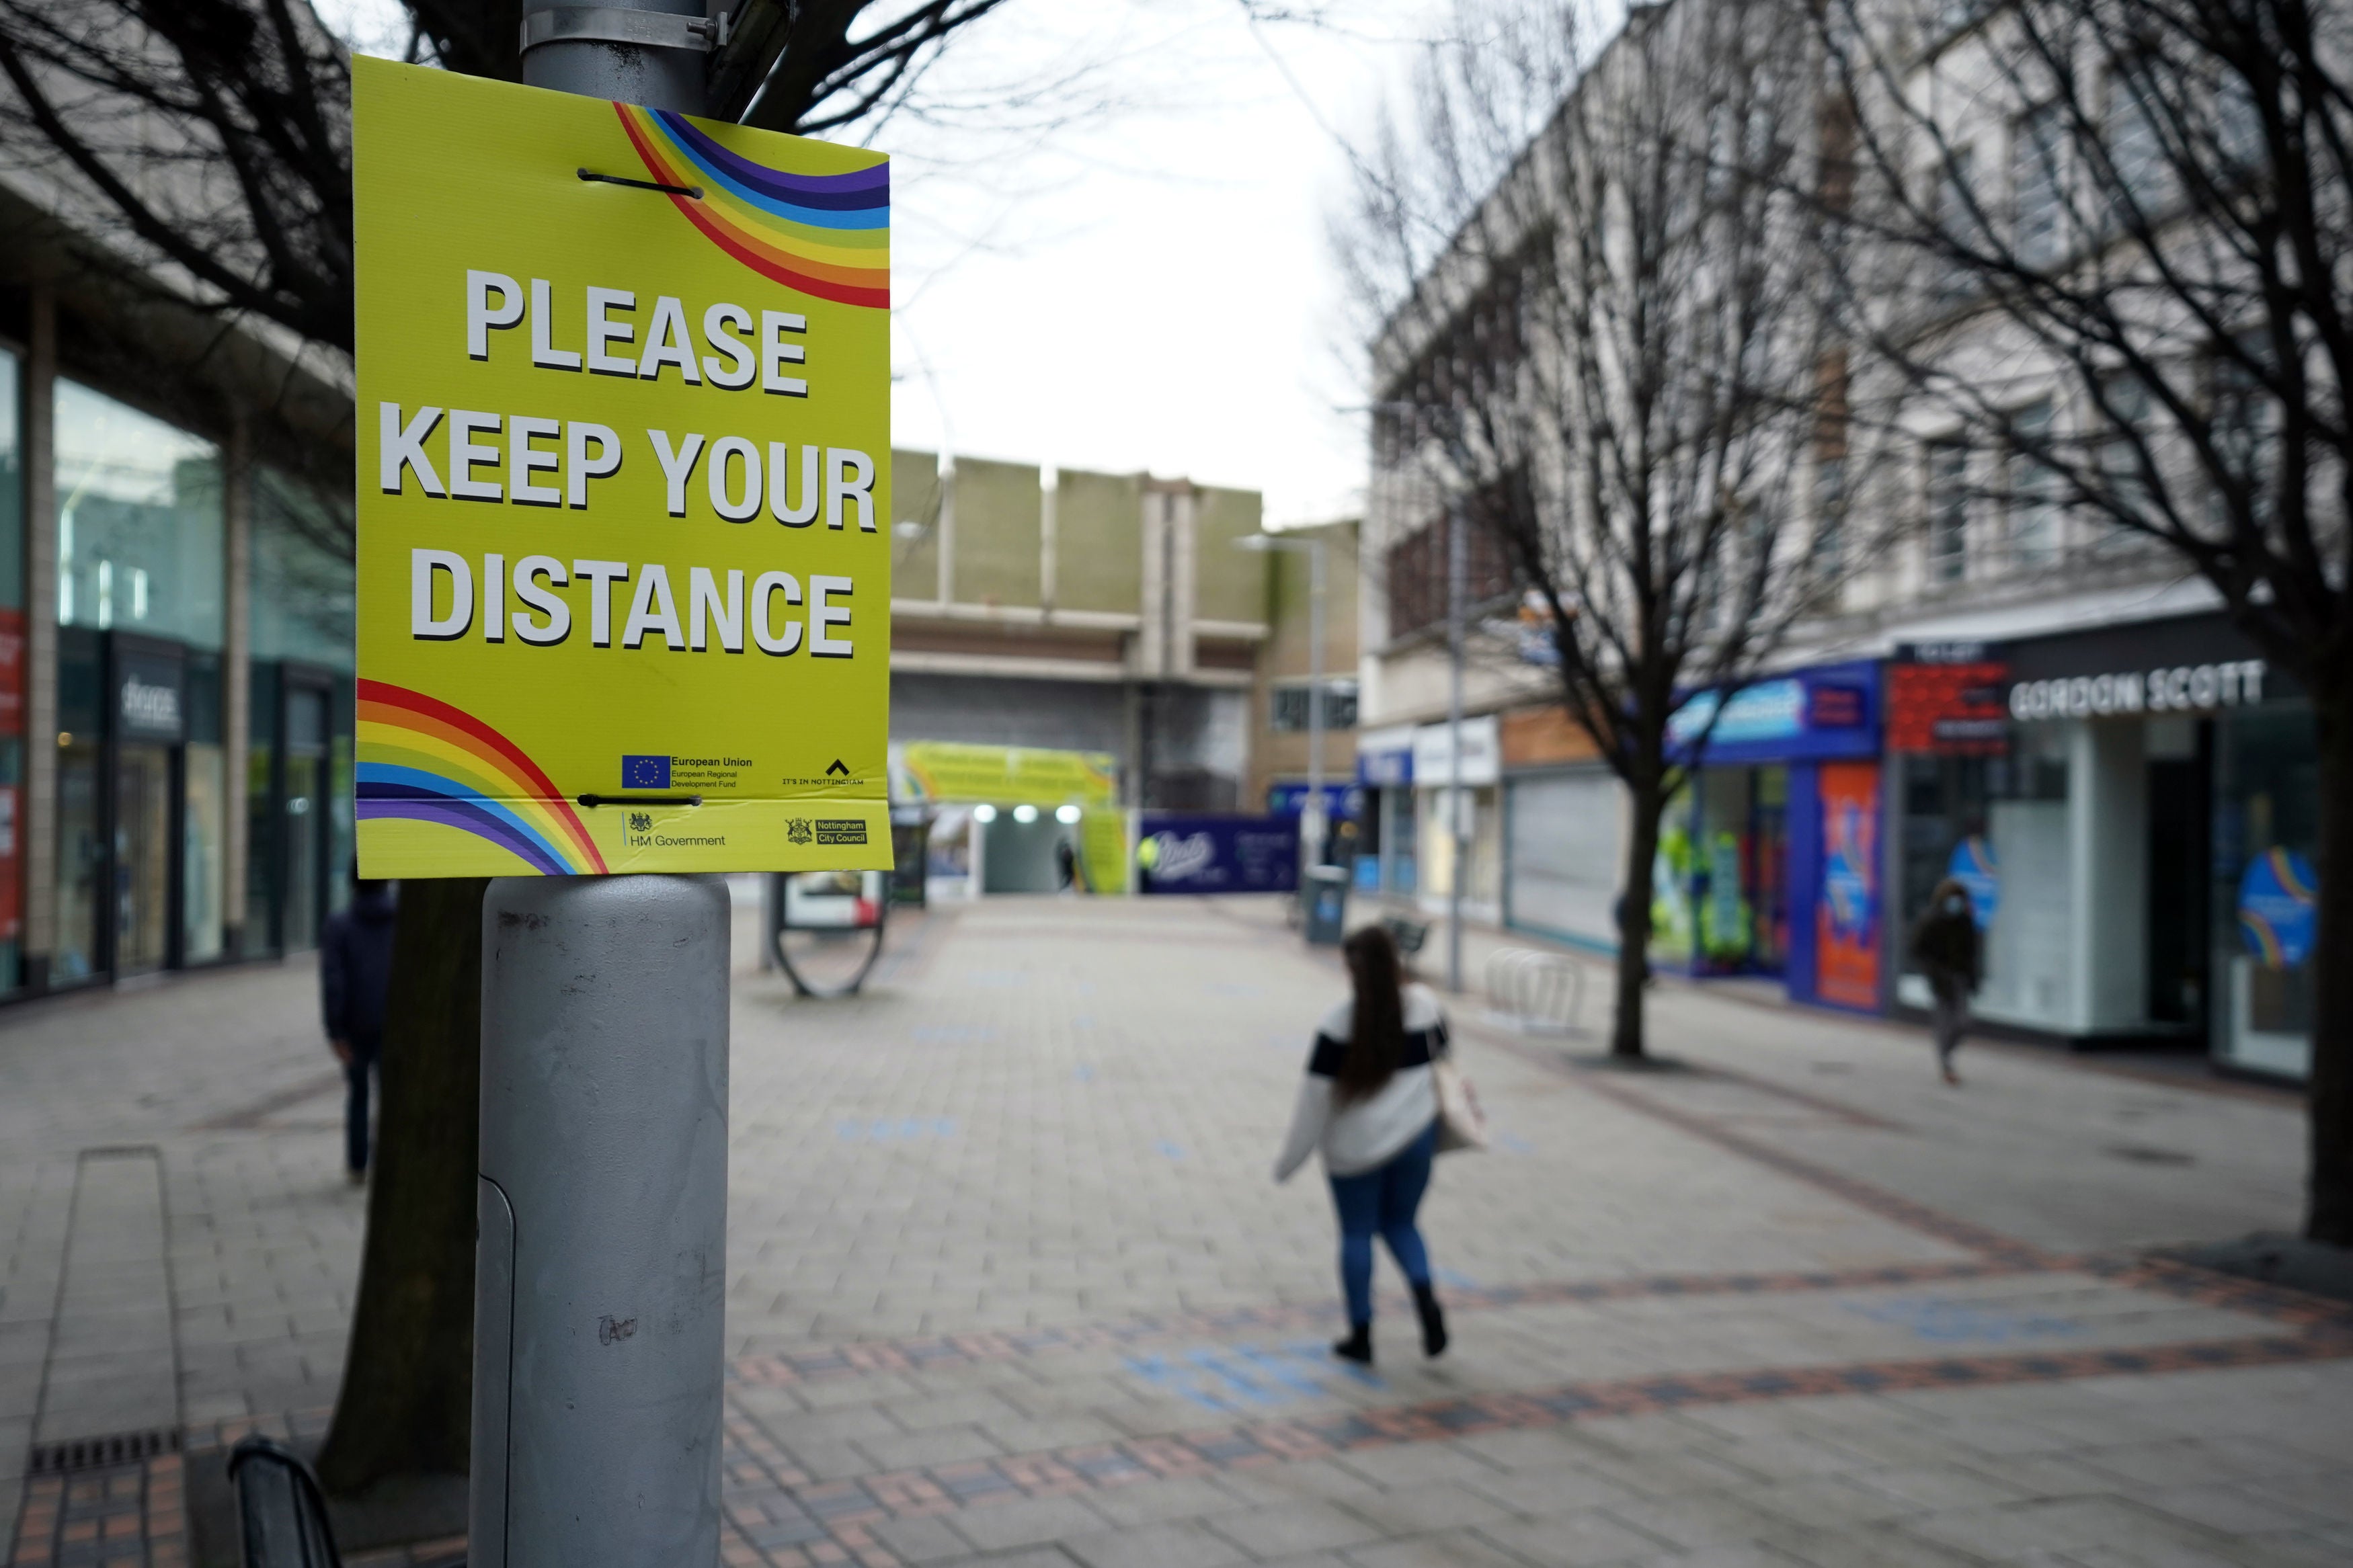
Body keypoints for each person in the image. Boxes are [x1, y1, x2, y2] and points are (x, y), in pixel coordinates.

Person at [1273, 925, 1449, 1364]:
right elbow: (1446, 1059)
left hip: (1355, 1152)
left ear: (1352, 970)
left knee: (1357, 1233)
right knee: (1403, 1224)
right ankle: (1427, 1303)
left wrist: (1288, 1162)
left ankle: (1362, 1334)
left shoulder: (1337, 1025)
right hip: (1415, 1139)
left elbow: (1312, 1104)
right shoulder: (1427, 1007)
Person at [321, 876, 398, 1184]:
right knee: (390, 1097)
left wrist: (335, 1031)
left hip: (354, 1025)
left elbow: (333, 982)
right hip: (395, 1024)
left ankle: (357, 1165)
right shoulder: (401, 921)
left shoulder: (339, 925)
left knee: (358, 1094)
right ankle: (387, 1165)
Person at [1909, 877, 1980, 1085]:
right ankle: (1946, 1063)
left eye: (1959, 899)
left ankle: (1946, 1052)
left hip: (1958, 978)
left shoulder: (1965, 921)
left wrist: (1973, 979)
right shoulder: (1931, 920)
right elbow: (1917, 949)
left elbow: (1971, 953)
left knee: (1964, 1022)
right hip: (1940, 979)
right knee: (1944, 1020)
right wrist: (1932, 972)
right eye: (1952, 899)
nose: (1956, 903)